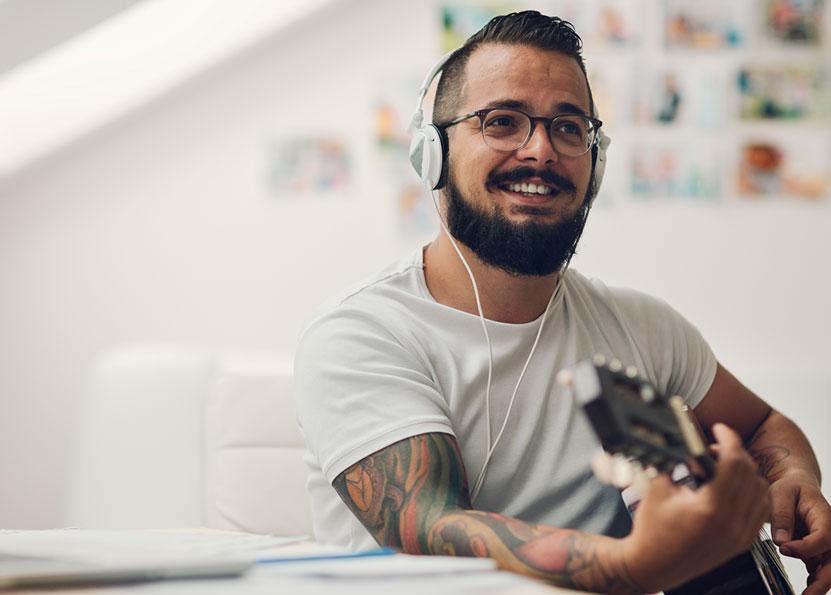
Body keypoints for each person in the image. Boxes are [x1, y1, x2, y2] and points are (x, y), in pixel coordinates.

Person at [294, 11, 831, 594]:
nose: (541, 150)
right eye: (502, 122)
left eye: (569, 128)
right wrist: (632, 564)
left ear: (595, 165)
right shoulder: (361, 334)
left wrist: (793, 479)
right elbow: (427, 525)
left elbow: (764, 427)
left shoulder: (645, 328)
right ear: (433, 154)